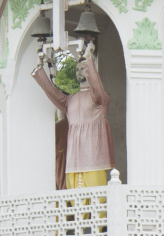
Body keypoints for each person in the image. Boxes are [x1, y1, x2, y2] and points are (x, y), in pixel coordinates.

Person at [33, 47, 115, 186]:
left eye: (83, 68)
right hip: (73, 162)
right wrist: (39, 69)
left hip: (94, 159)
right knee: (75, 203)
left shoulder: (100, 99)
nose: (80, 72)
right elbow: (52, 93)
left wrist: (88, 60)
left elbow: (97, 87)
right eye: (77, 70)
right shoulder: (70, 100)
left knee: (97, 202)